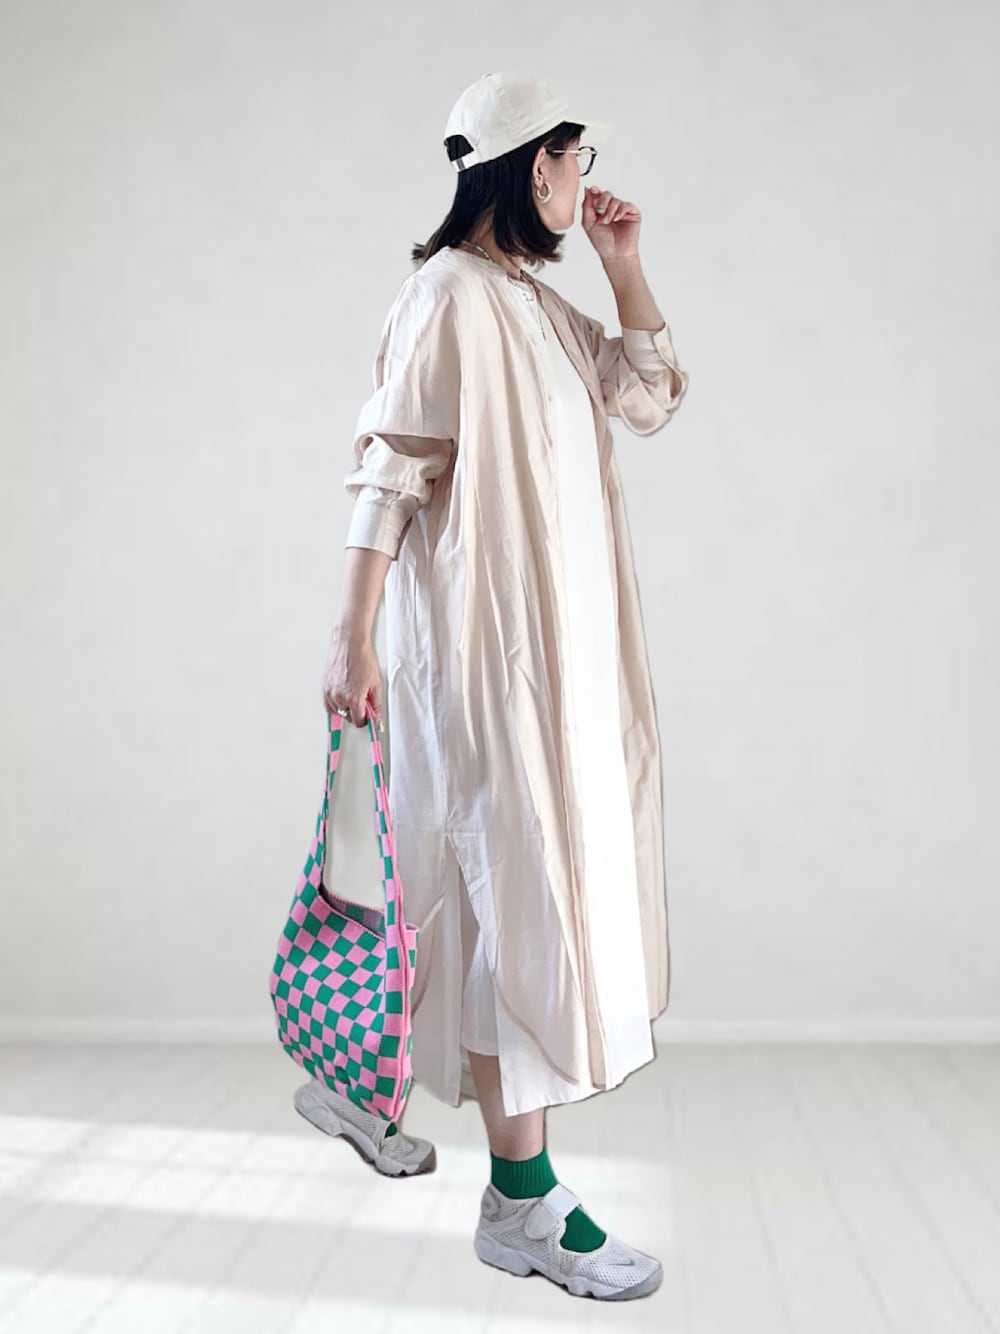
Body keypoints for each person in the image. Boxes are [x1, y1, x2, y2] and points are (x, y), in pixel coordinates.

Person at [300, 70, 689, 1302]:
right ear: (536, 165)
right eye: (575, 162)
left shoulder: (528, 301)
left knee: (492, 893)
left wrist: (623, 266)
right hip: (481, 660)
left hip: (561, 665)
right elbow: (391, 465)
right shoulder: (447, 296)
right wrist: (350, 634)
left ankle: (361, 1081)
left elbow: (647, 395)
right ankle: (520, 1197)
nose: (583, 184)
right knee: (509, 894)